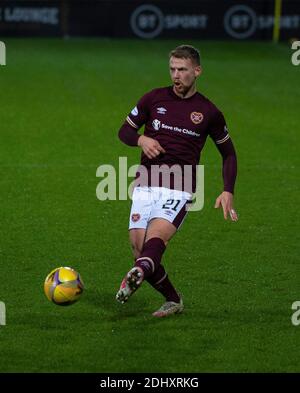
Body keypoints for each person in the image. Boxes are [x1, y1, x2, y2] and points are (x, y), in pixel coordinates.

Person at [116, 45, 238, 317]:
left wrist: (227, 190)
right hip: (145, 182)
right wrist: (141, 139)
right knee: (140, 250)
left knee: (155, 240)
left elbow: (229, 154)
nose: (176, 75)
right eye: (172, 69)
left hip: (179, 185)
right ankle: (173, 298)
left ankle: (139, 273)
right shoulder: (154, 99)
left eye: (182, 69)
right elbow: (124, 130)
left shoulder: (209, 112)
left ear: (197, 71)